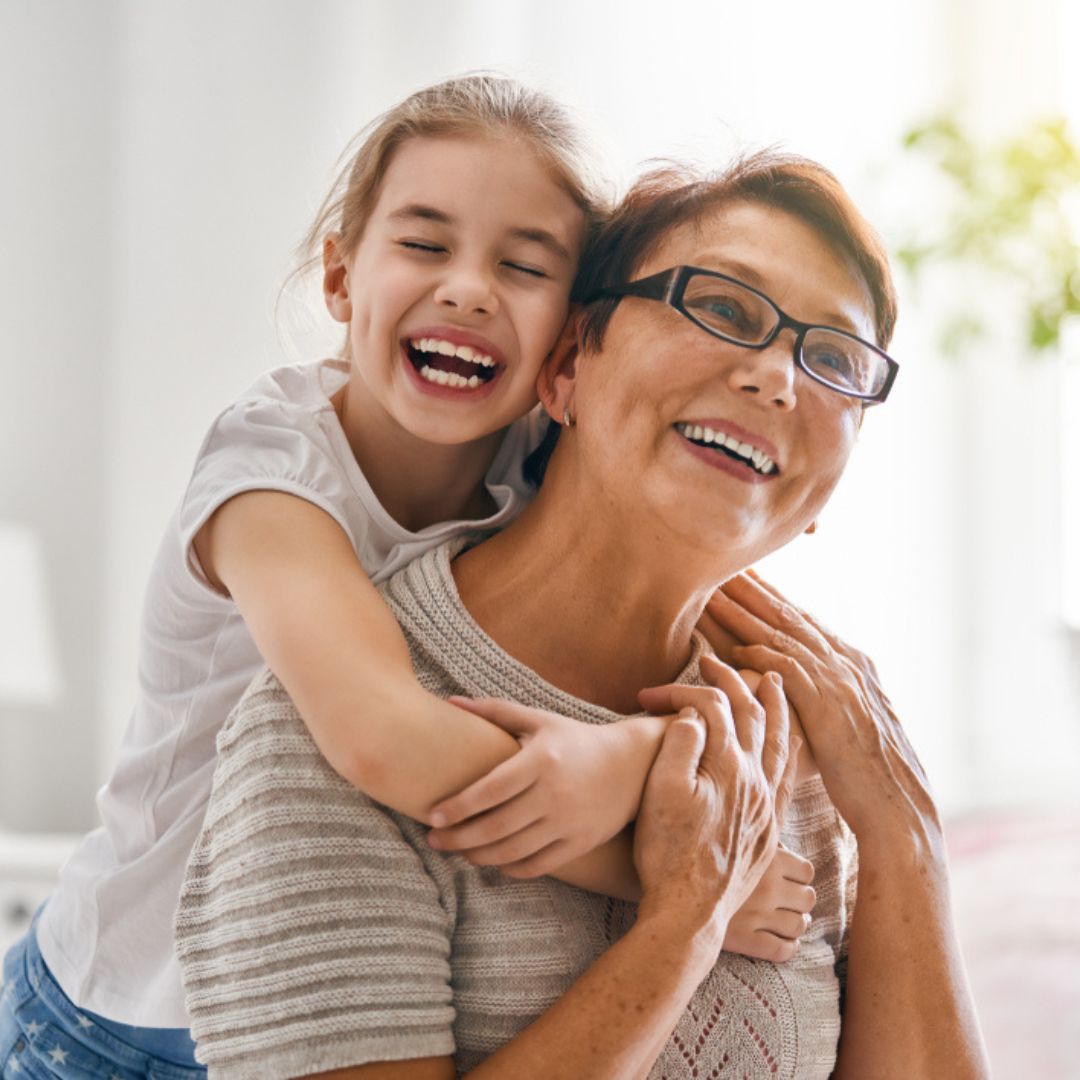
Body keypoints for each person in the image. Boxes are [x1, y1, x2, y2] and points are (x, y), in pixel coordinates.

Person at [0, 75, 809, 1080]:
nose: (469, 288)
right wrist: (681, 873)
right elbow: (383, 739)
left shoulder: (535, 466)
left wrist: (640, 749)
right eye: (425, 245)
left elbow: (696, 613)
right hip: (111, 1023)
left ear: (569, 333)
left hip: (299, 1019)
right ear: (341, 279)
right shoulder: (271, 476)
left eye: (523, 265)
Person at [172, 154, 990, 1078]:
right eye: (722, 307)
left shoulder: (816, 746)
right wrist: (683, 922)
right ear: (565, 367)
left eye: (835, 360)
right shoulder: (320, 739)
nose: (778, 380)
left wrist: (906, 838)